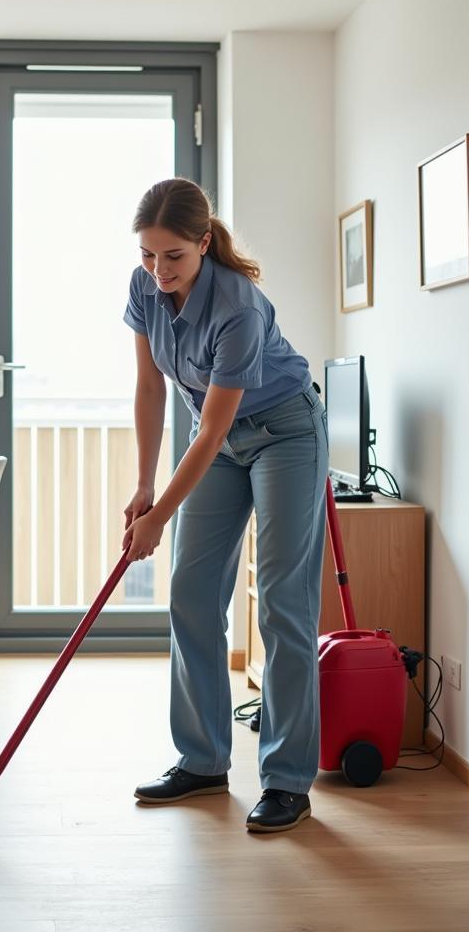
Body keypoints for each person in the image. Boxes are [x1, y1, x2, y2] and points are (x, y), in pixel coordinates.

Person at [121, 177, 328, 833]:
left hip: (284, 435)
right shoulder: (143, 287)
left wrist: (158, 521)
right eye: (149, 255)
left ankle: (288, 780)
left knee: (282, 599)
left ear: (204, 244)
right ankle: (204, 760)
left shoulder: (239, 305)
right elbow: (149, 387)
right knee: (190, 590)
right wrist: (143, 486)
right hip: (216, 441)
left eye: (173, 257)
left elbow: (213, 430)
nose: (158, 271)